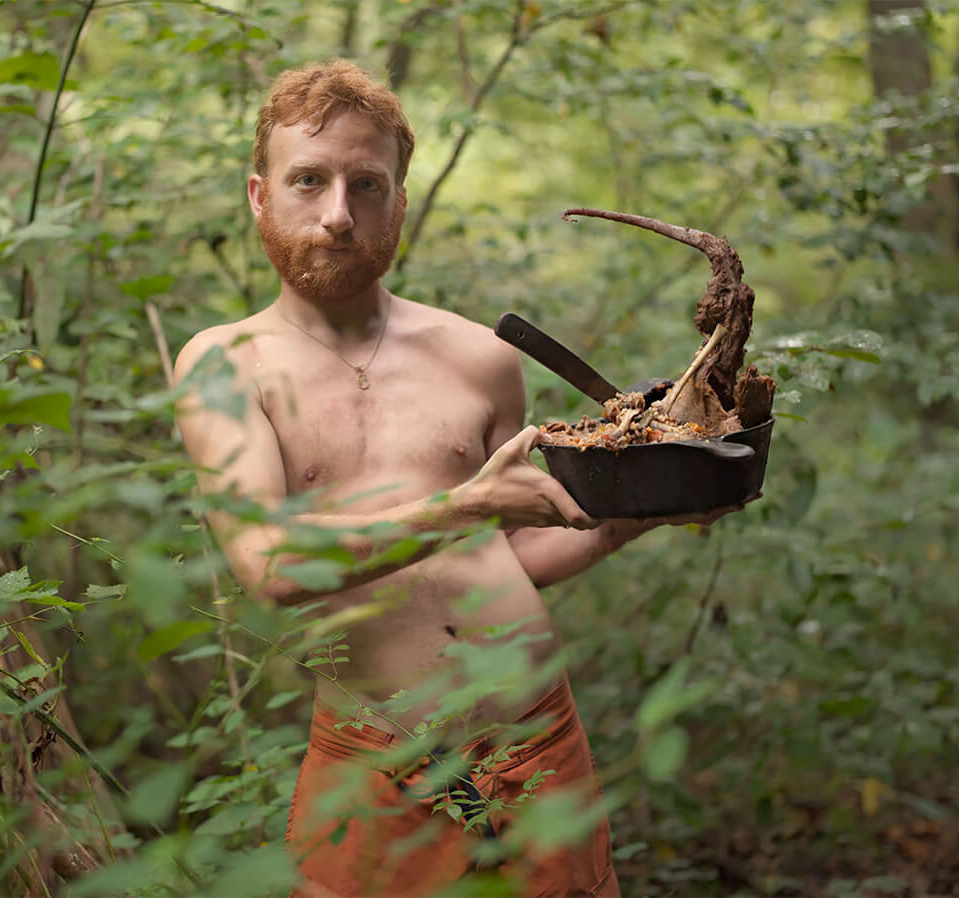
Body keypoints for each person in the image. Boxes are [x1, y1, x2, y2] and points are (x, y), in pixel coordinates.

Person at [174, 59, 744, 898]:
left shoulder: (479, 355)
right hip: (378, 763)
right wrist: (466, 502)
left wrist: (645, 509)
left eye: (367, 185)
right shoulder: (225, 365)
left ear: (400, 201)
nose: (338, 215)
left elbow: (510, 550)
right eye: (309, 181)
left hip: (540, 740)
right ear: (260, 196)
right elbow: (269, 565)